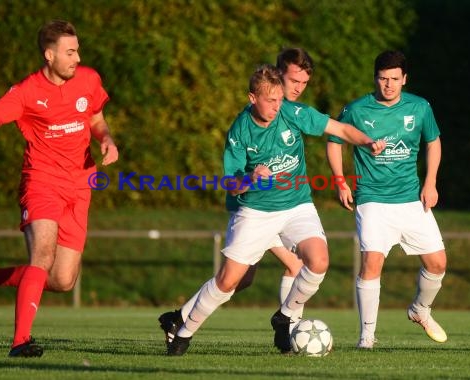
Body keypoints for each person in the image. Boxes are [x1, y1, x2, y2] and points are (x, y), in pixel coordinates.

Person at [163, 63, 384, 356]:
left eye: (279, 99)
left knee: (318, 261)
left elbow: (339, 128)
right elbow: (231, 184)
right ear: (252, 98)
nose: (277, 106)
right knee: (230, 281)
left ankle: (286, 316)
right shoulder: (240, 130)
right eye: (270, 100)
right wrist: (251, 178)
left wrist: (367, 142)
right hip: (255, 210)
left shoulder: (292, 114)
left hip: (296, 204)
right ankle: (183, 332)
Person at [0, 19, 118, 357]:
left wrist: (106, 139)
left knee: (62, 281)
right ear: (49, 55)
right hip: (41, 181)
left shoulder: (88, 79)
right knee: (41, 256)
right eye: (70, 52)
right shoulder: (26, 92)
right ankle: (20, 342)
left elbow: (95, 118)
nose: (77, 57)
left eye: (78, 50)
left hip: (80, 184)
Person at [158, 48, 314, 344]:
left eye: (303, 83)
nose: (297, 88)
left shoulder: (285, 112)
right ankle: (288, 330)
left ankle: (178, 318)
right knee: (285, 268)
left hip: (276, 207)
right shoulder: (254, 118)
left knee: (242, 279)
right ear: (279, 78)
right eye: (293, 81)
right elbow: (236, 174)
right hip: (256, 209)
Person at [326, 50, 447, 349]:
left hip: (410, 199)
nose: (389, 85)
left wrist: (430, 182)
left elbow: (433, 142)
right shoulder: (356, 109)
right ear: (375, 78)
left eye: (395, 79)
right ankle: (367, 337)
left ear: (405, 79)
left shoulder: (420, 107)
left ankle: (420, 310)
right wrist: (341, 182)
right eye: (383, 78)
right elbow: (334, 142)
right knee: (372, 262)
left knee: (438, 263)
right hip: (373, 199)